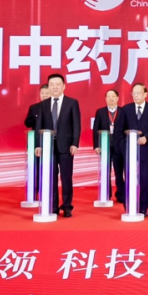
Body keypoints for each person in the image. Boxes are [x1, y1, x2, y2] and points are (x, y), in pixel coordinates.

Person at [30, 74, 80, 217]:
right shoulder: (43, 105)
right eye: (52, 84)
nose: (55, 87)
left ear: (64, 86)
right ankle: (53, 206)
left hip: (66, 145)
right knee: (50, 177)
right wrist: (38, 145)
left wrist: (75, 143)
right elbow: (38, 126)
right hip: (48, 146)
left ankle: (67, 206)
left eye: (58, 84)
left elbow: (76, 125)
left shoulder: (72, 103)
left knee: (66, 177)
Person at [123, 83, 148, 216]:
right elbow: (120, 129)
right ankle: (129, 205)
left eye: (138, 93)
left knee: (145, 177)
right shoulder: (126, 109)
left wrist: (147, 137)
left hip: (146, 148)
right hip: (129, 149)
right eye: (133, 93)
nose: (135, 96)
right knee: (129, 177)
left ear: (145, 94)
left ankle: (143, 207)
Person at [92, 89, 125, 203]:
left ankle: (121, 195)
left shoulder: (123, 111)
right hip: (105, 146)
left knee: (119, 172)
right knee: (105, 171)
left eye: (113, 96)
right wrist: (96, 145)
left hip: (119, 147)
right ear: (105, 99)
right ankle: (106, 194)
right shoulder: (100, 112)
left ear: (117, 98)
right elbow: (96, 129)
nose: (111, 99)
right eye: (108, 96)